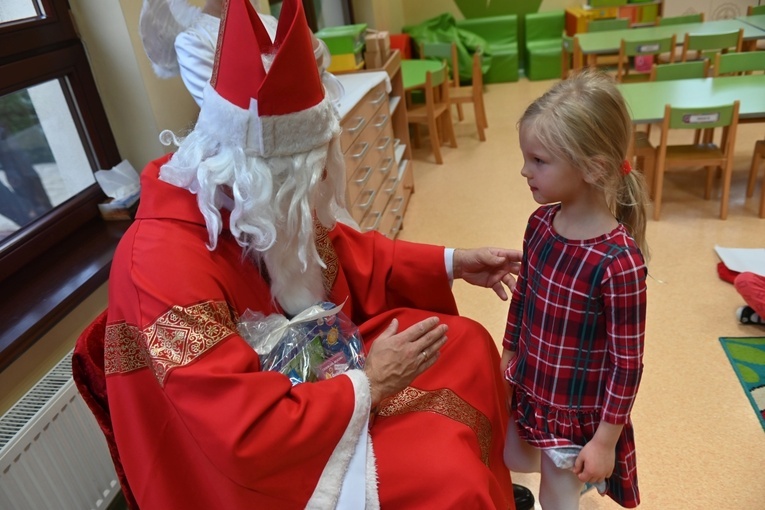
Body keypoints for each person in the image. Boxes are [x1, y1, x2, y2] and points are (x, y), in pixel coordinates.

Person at [95, 0, 527, 507]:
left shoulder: (253, 202)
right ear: (264, 174)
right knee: (447, 479)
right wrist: (370, 382)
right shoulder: (160, 263)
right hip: (262, 457)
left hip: (316, 374)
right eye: (313, 171)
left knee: (467, 343)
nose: (324, 179)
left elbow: (339, 252)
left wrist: (453, 261)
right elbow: (238, 432)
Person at [501, 70, 649, 510]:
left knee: (558, 497)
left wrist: (605, 440)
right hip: (531, 385)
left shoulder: (619, 262)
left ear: (593, 168)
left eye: (539, 160)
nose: (525, 170)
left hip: (574, 410)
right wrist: (508, 354)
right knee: (510, 455)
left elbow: (627, 365)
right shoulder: (540, 224)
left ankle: (583, 480)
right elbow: (524, 297)